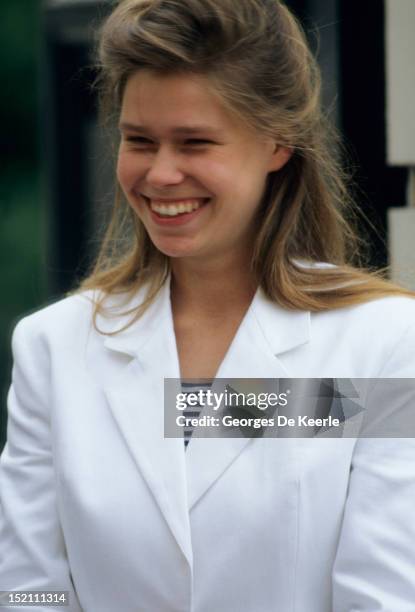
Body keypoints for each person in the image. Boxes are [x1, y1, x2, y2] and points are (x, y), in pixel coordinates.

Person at [1, 0, 415, 610]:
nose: (161, 174)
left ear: (277, 143)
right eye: (139, 141)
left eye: (195, 143)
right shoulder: (53, 347)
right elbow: (28, 592)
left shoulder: (382, 343)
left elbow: (383, 593)